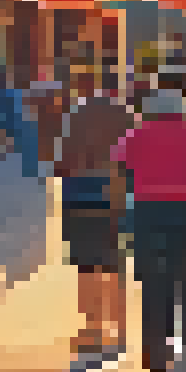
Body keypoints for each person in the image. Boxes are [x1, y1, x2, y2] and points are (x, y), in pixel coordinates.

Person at [114, 87, 186, 372]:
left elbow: (120, 168)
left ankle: (156, 346)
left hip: (147, 210)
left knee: (153, 278)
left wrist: (120, 209)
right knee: (185, 270)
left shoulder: (137, 133)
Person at [60, 68, 136, 354]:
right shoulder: (126, 115)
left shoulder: (76, 114)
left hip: (79, 194)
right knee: (114, 264)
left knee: (87, 265)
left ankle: (93, 329)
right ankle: (120, 330)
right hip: (114, 196)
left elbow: (64, 158)